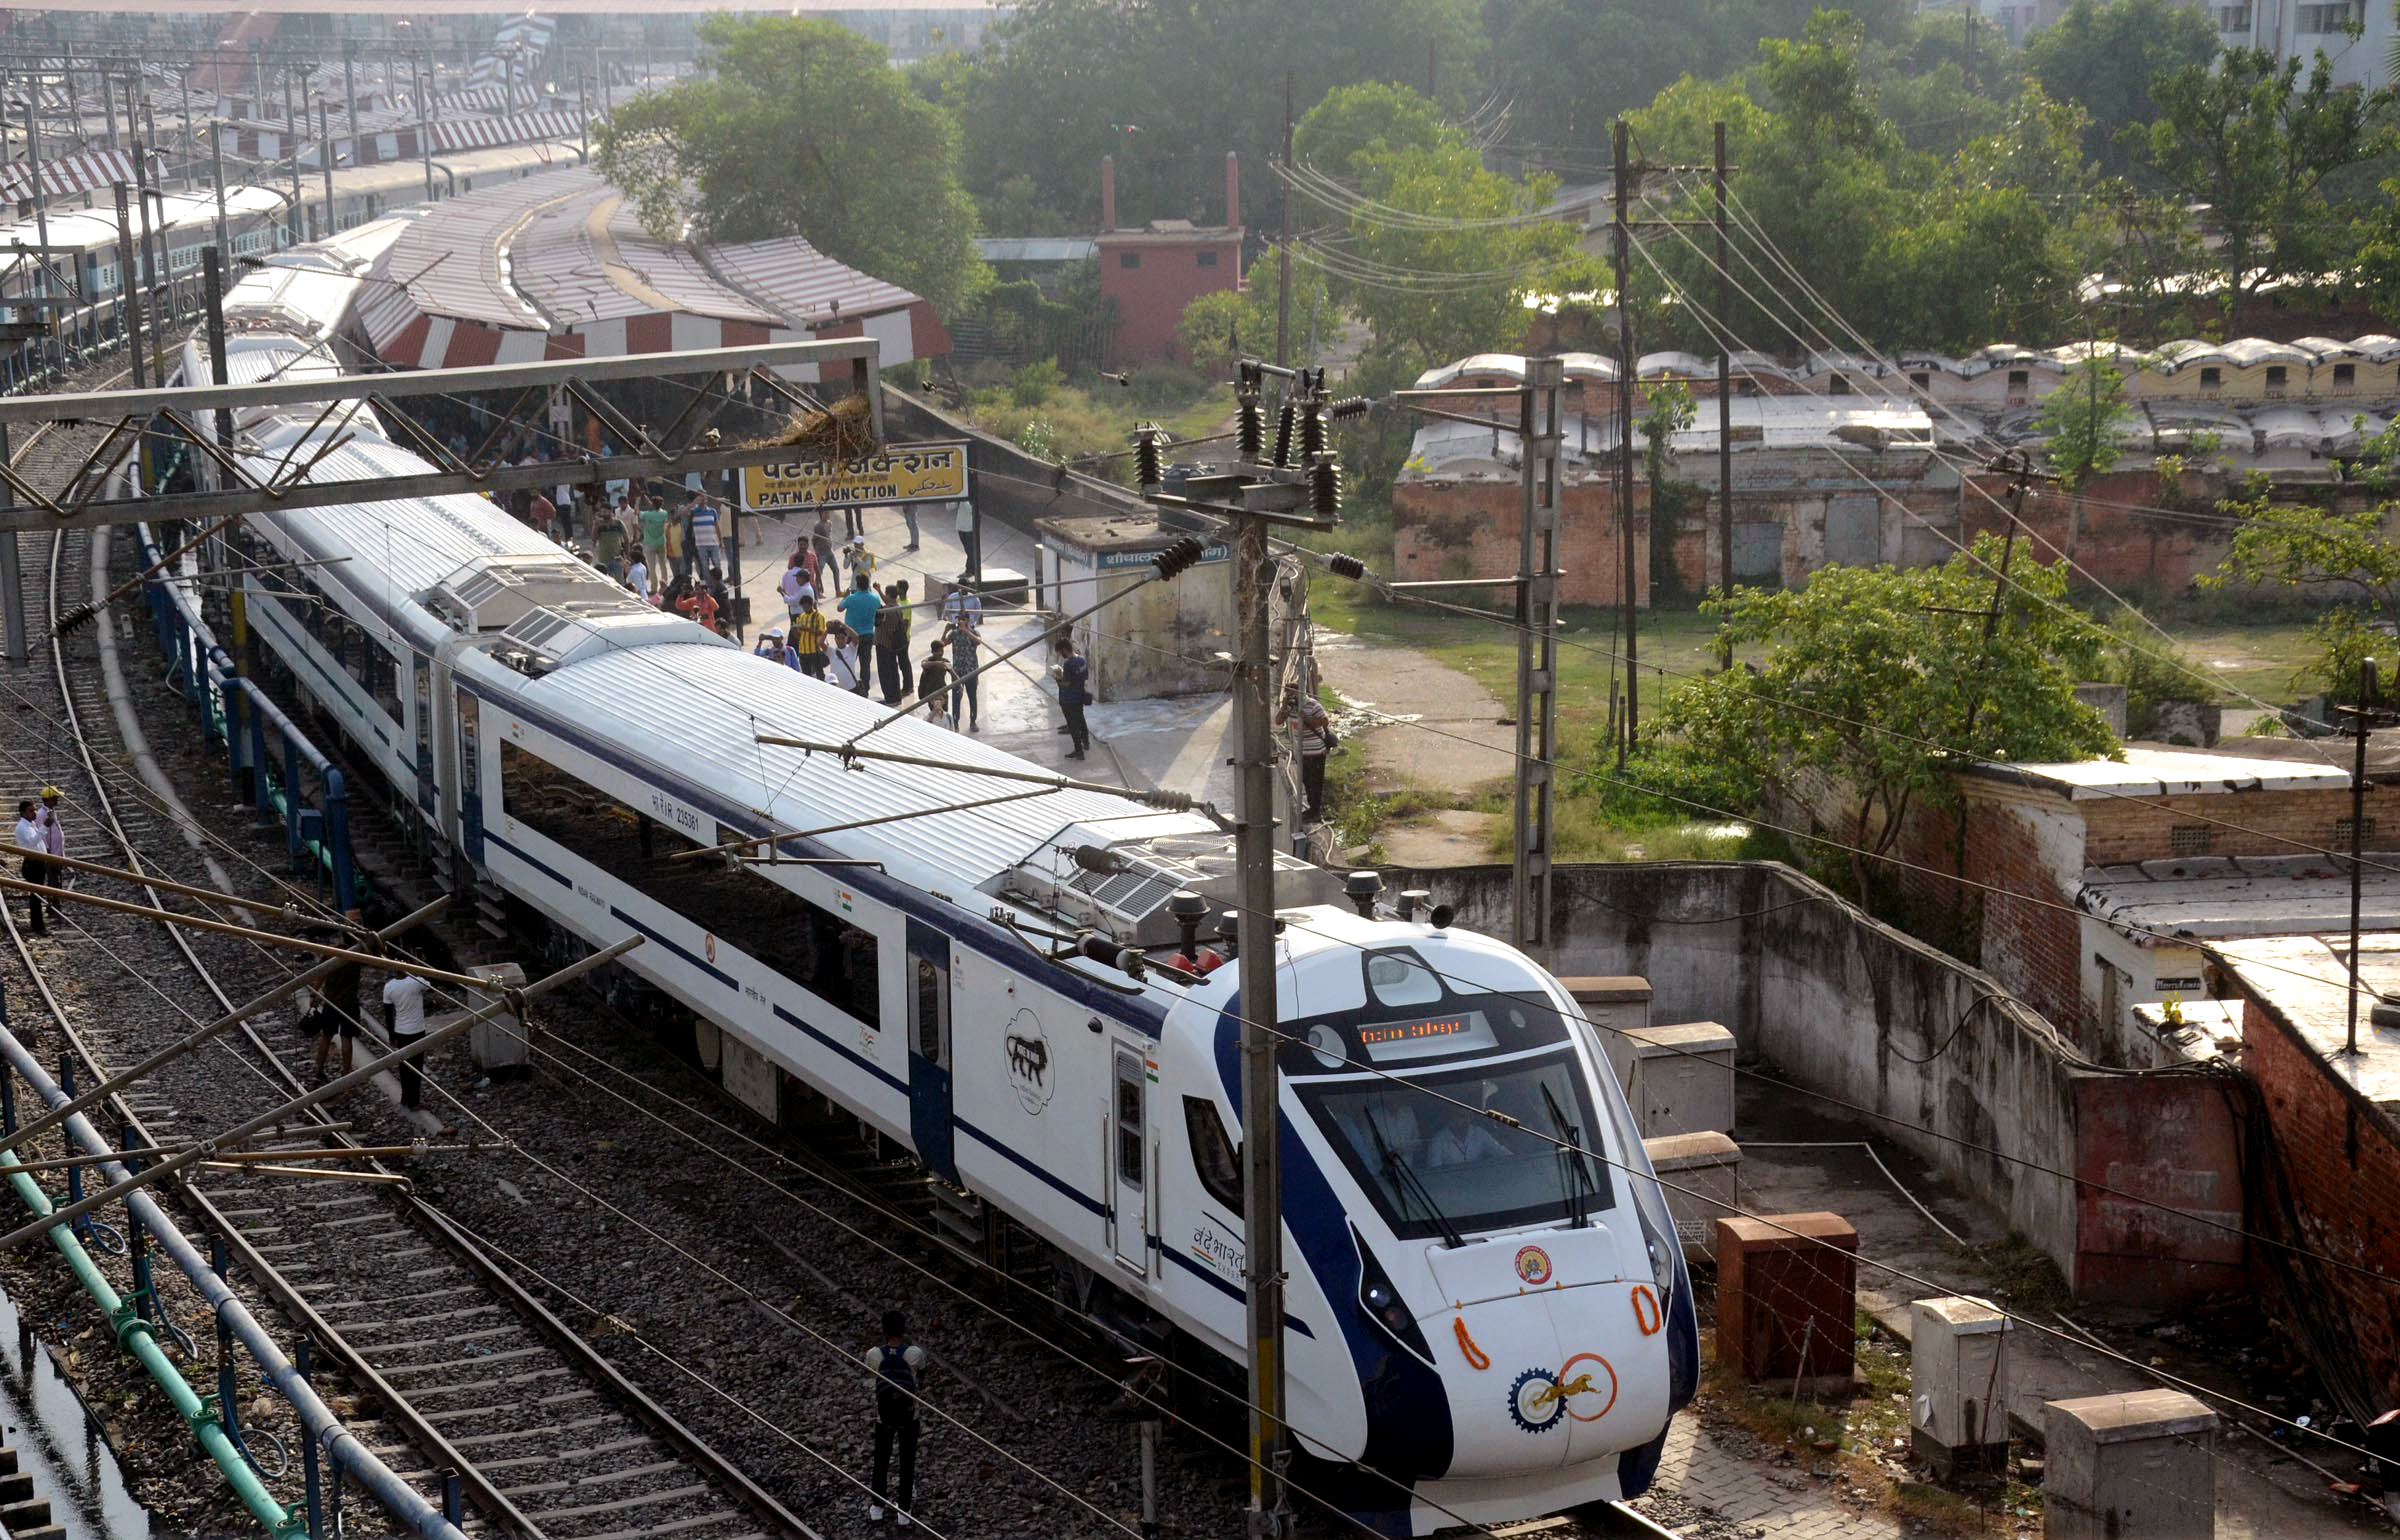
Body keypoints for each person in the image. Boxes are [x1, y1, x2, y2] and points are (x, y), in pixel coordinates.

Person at [863, 1309, 926, 1526]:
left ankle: (877, 1507)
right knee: (907, 1462)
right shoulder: (915, 1353)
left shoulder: (873, 1354)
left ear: (883, 1330)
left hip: (884, 1416)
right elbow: (921, 1373)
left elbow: (872, 1376)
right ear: (904, 1329)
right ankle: (904, 1511)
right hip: (910, 1416)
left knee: (881, 1459)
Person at [1274, 687, 1335, 825]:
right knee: (1306, 780)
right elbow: (1278, 721)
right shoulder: (1291, 707)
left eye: (1293, 693)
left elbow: (1324, 721)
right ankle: (1312, 810)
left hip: (1316, 750)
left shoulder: (1312, 705)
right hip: (1303, 751)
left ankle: (1315, 811)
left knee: (1316, 782)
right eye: (1288, 694)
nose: (1291, 696)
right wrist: (1284, 706)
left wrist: (1306, 717)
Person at [310, 937, 363, 1083]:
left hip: (330, 1002)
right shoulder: (357, 956)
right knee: (346, 1038)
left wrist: (313, 995)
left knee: (326, 1036)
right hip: (349, 1003)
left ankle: (319, 1069)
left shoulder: (330, 953)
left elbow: (320, 976)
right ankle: (346, 1071)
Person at [382, 968, 430, 1112]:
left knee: (404, 1066)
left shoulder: (389, 986)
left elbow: (388, 1014)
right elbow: (429, 985)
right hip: (416, 1031)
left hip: (400, 1030)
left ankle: (405, 1097)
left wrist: (391, 1035)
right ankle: (414, 1102)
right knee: (416, 1067)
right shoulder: (416, 982)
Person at [940, 582, 983, 732]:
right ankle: (956, 723)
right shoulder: (954, 634)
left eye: (962, 620)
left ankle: (973, 721)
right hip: (957, 670)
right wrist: (945, 631)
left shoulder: (973, 633)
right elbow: (941, 644)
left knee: (972, 696)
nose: (960, 623)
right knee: (956, 698)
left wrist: (966, 631)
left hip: (971, 669)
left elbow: (978, 642)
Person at [836, 578, 882, 698]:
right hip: (867, 634)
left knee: (847, 660)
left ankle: (847, 685)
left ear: (857, 585)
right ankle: (864, 691)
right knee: (865, 664)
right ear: (868, 585)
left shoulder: (851, 598)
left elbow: (839, 608)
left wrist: (844, 597)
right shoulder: (874, 598)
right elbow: (881, 610)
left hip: (851, 635)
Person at [1053, 636, 1091, 760]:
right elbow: (1084, 677)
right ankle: (1086, 742)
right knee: (1081, 719)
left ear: (1064, 649)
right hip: (1080, 695)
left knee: (1073, 725)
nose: (1061, 655)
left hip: (1069, 699)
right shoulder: (1082, 660)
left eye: (1060, 652)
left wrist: (1058, 678)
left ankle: (1079, 751)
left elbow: (1067, 683)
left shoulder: (1068, 663)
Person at [13, 799, 45, 936]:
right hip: (32, 864)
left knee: (37, 894)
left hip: (38, 863)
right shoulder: (23, 827)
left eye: (34, 810)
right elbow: (32, 844)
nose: (34, 812)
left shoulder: (30, 824)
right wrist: (45, 828)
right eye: (31, 810)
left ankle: (38, 923)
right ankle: (38, 925)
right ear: (23, 812)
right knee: (36, 895)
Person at [874, 584, 907, 705]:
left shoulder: (888, 611)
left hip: (885, 644)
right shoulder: (897, 607)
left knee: (885, 672)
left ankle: (890, 698)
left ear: (888, 595)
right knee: (893, 670)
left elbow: (888, 628)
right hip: (892, 646)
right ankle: (895, 697)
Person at [790, 594, 829, 679]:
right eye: (803, 606)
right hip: (803, 651)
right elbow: (798, 636)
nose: (804, 608)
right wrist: (794, 630)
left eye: (806, 606)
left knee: (819, 675)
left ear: (811, 605)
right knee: (806, 677)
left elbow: (821, 632)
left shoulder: (819, 617)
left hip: (814, 651)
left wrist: (806, 629)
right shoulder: (801, 617)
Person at [888, 580, 914, 699]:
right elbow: (889, 603)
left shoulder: (906, 604)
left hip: (903, 637)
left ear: (902, 590)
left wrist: (898, 634)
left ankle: (908, 687)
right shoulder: (899, 601)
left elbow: (905, 622)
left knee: (904, 663)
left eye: (898, 588)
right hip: (898, 637)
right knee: (902, 661)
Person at [918, 641, 952, 729]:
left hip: (943, 692)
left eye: (942, 651)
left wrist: (959, 686)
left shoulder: (945, 662)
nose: (940, 653)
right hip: (931, 693)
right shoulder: (929, 661)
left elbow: (953, 674)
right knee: (934, 714)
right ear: (933, 652)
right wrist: (937, 663)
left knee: (944, 713)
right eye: (938, 651)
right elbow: (924, 664)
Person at [690, 495, 723, 581]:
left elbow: (717, 527)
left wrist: (721, 541)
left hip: (713, 542)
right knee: (704, 566)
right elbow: (684, 513)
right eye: (700, 497)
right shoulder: (694, 512)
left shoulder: (712, 511)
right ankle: (709, 586)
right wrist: (694, 503)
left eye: (704, 497)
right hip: (701, 544)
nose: (702, 500)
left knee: (717, 564)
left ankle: (719, 583)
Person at [825, 623, 862, 692]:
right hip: (837, 688)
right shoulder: (831, 651)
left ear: (847, 638)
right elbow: (820, 642)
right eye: (838, 638)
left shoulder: (851, 649)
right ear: (835, 639)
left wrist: (843, 625)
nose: (840, 641)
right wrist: (827, 630)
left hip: (851, 688)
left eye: (842, 638)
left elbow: (856, 637)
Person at [639, 496, 669, 577]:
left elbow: (636, 512)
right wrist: (646, 498)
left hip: (649, 543)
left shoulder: (647, 514)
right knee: (663, 565)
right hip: (661, 542)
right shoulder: (664, 513)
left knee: (651, 567)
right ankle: (665, 582)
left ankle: (654, 587)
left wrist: (638, 500)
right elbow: (654, 507)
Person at [39, 785, 63, 887]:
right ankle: (53, 900)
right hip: (51, 853)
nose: (57, 799)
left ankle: (56, 899)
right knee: (53, 878)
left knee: (57, 877)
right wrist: (47, 851)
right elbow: (41, 835)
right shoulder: (42, 814)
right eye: (55, 798)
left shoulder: (50, 811)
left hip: (57, 852)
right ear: (49, 799)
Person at [663, 499, 690, 582]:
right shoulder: (667, 526)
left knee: (683, 575)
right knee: (676, 576)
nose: (674, 517)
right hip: (671, 555)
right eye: (673, 515)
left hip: (682, 555)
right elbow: (666, 540)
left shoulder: (682, 526)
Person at [954, 498, 979, 581]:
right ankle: (972, 568)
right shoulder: (960, 499)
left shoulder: (971, 500)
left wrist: (963, 500)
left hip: (970, 528)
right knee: (967, 550)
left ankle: (970, 569)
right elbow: (949, 507)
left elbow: (971, 510)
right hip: (961, 526)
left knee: (970, 550)